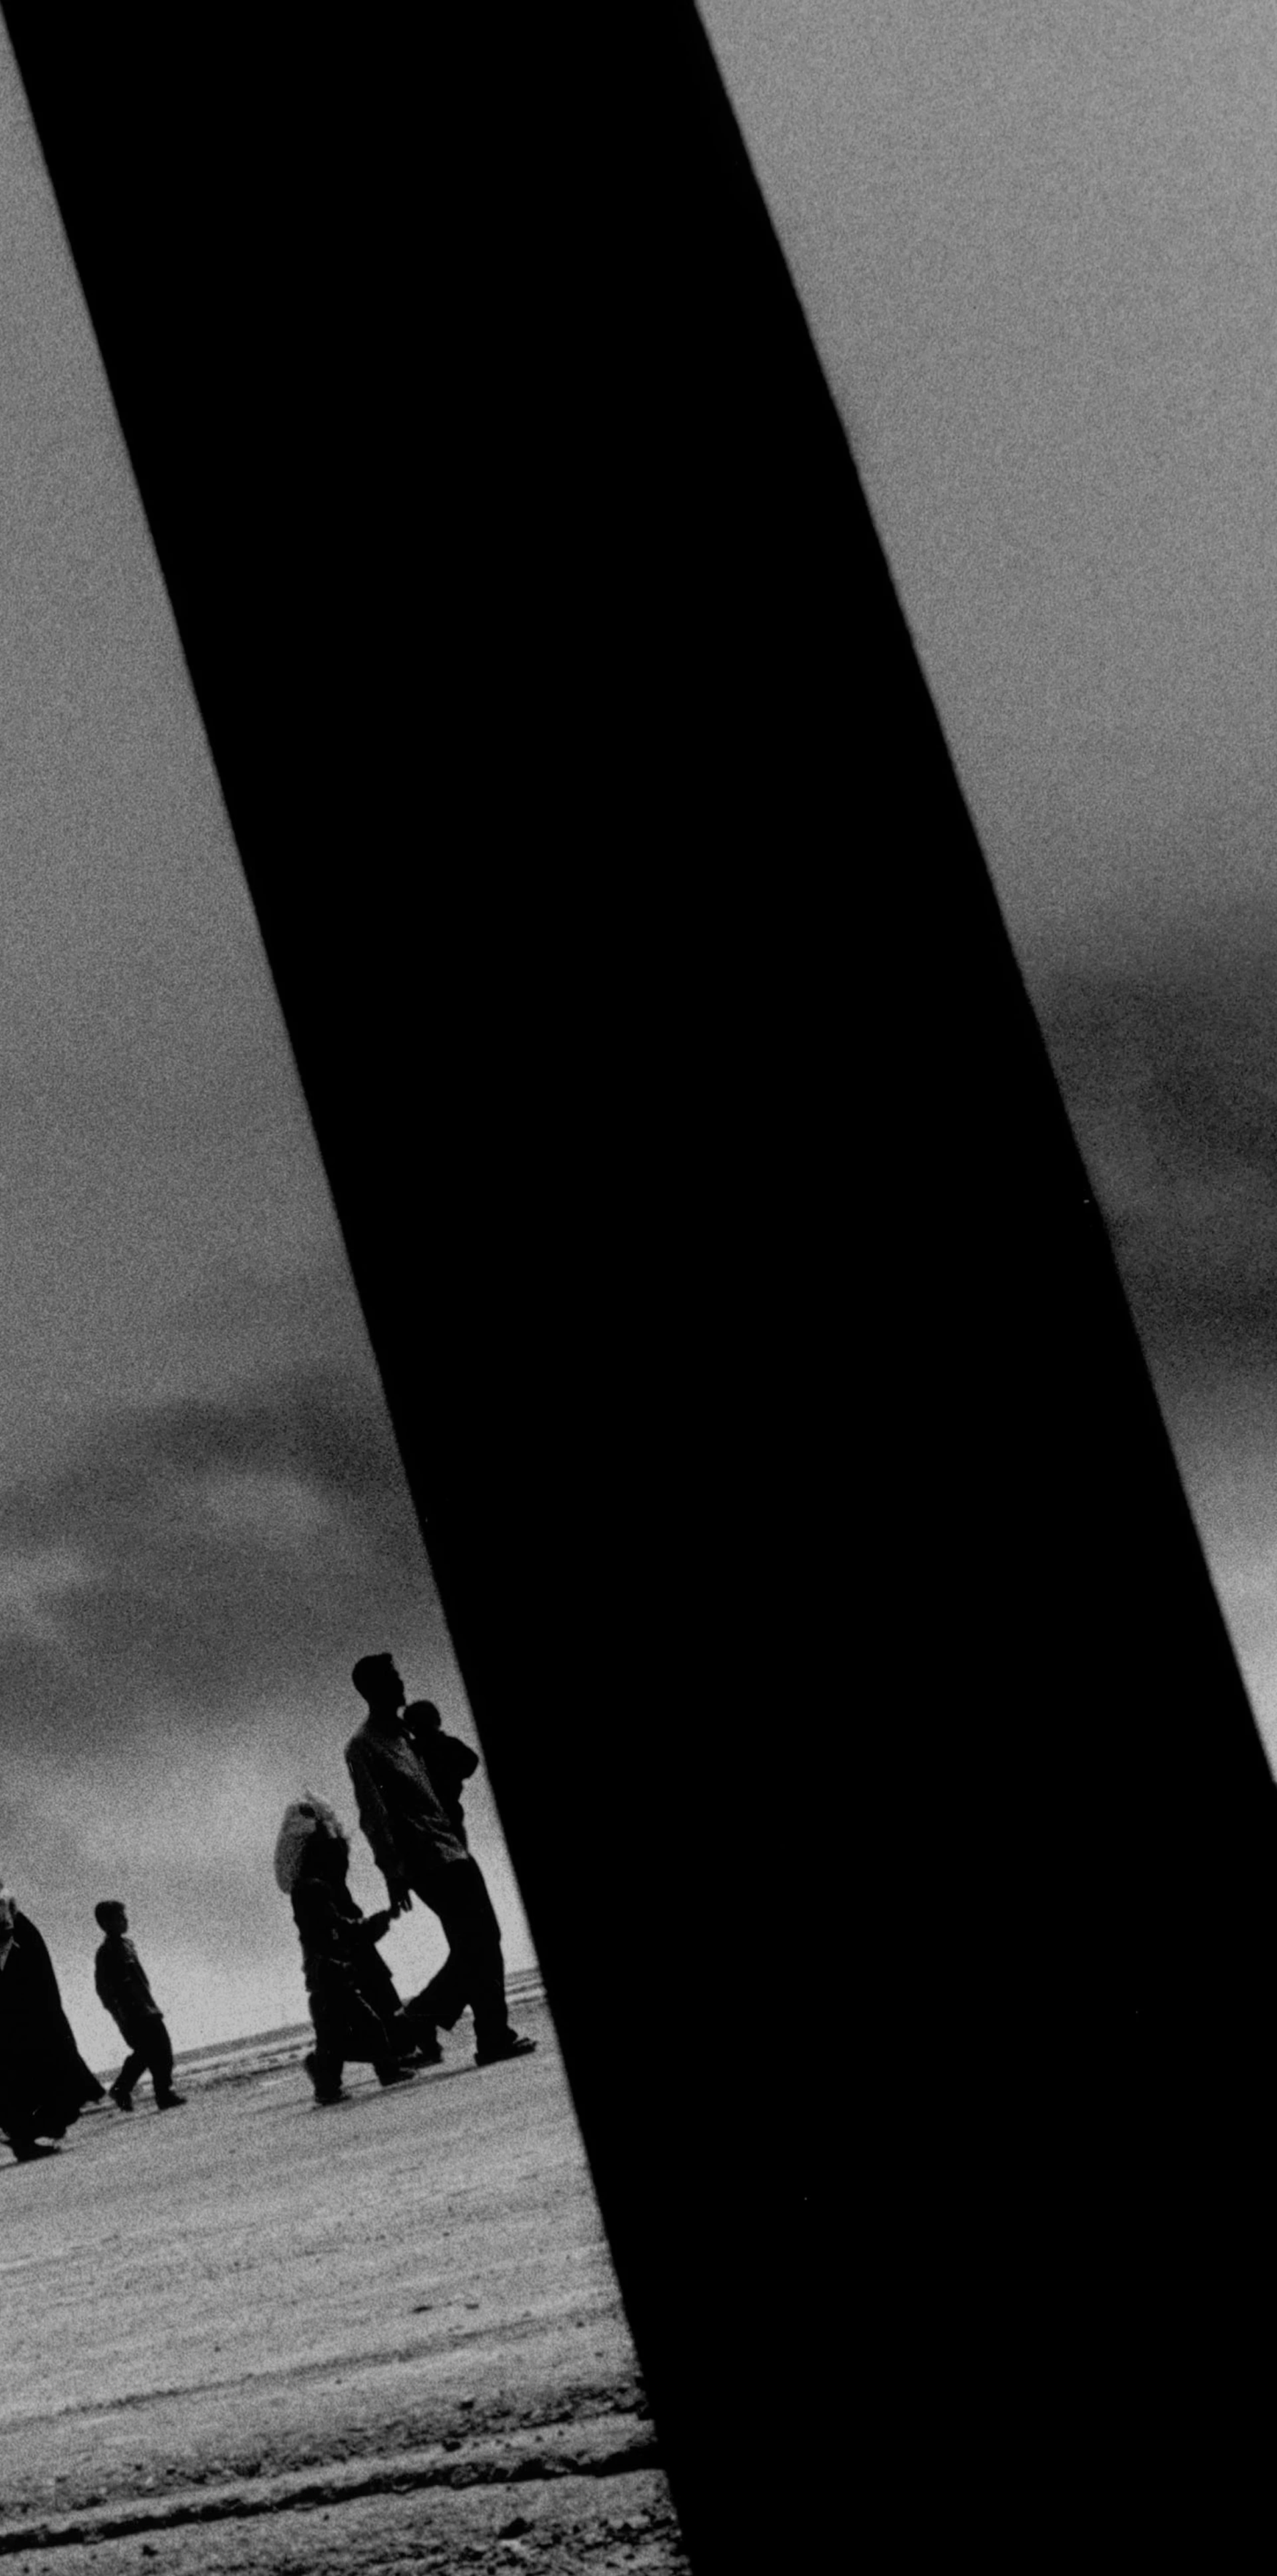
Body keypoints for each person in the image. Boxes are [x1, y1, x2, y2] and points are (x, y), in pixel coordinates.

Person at [345, 1653, 535, 2069]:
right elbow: (373, 1814)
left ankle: (469, 2031)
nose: (401, 1684)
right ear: (373, 1689)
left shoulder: (407, 1735)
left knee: (478, 1942)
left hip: (452, 1847)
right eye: (392, 1679)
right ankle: (427, 2023)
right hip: (426, 1861)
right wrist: (392, 1872)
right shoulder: (363, 1746)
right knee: (479, 1941)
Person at [275, 1794, 419, 2105]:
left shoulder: (311, 1883)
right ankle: (384, 2069)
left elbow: (336, 1927)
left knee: (338, 2036)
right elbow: (339, 1928)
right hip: (334, 1970)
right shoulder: (316, 1885)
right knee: (364, 2026)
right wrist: (376, 1923)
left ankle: (330, 2080)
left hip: (328, 1972)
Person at [0, 1879, 105, 2162]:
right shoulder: (11, 1913)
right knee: (36, 2059)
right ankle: (31, 2133)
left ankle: (30, 2133)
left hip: (22, 1995)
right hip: (22, 1997)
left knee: (28, 2064)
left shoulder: (12, 1913)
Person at [92, 1903, 186, 2112]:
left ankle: (125, 2089)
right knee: (153, 2051)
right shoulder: (106, 1952)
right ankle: (161, 2094)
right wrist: (119, 2014)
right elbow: (103, 1989)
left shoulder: (127, 1945)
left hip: (147, 2007)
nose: (125, 1921)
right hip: (132, 2013)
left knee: (155, 2052)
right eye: (119, 1917)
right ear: (106, 1923)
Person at [400, 1700, 480, 1839]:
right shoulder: (416, 1749)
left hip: (444, 1810)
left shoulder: (443, 1745)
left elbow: (471, 1761)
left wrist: (453, 1775)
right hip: (432, 1812)